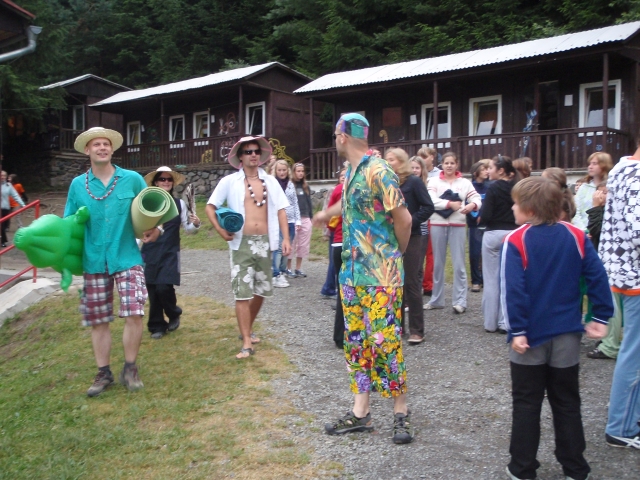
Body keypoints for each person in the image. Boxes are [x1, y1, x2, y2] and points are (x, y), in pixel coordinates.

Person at [502, 176, 612, 480]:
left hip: (530, 337)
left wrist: (517, 330)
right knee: (567, 402)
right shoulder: (576, 236)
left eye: (515, 203)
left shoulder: (516, 240)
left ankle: (522, 468)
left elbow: (512, 290)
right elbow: (597, 276)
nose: (512, 208)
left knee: (526, 403)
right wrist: (600, 317)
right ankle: (575, 468)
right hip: (567, 335)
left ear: (529, 209)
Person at [313, 113, 414, 444]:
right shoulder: (352, 172)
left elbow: (404, 219)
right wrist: (326, 213)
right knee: (356, 342)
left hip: (380, 275)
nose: (334, 140)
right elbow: (353, 207)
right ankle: (361, 414)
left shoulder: (378, 170)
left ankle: (400, 412)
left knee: (385, 342)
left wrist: (394, 255)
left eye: (335, 135)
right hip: (350, 274)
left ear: (343, 137)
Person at [64, 127, 162, 397]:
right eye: (96, 144)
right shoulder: (77, 185)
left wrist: (157, 228)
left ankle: (130, 368)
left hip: (127, 256)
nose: (102, 148)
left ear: (112, 149)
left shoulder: (131, 179)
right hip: (93, 259)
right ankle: (103, 372)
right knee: (99, 320)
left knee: (134, 313)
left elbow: (153, 208)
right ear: (88, 150)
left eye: (106, 144)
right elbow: (69, 223)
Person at [205, 136, 290, 359]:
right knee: (242, 293)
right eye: (248, 151)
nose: (253, 155)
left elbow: (282, 210)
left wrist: (286, 239)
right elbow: (210, 207)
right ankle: (246, 342)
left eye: (256, 151)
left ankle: (247, 329)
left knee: (261, 291)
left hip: (265, 242)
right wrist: (220, 230)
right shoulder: (230, 181)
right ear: (240, 157)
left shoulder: (270, 181)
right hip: (240, 243)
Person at [600, 142, 640, 448]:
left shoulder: (621, 169)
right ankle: (621, 427)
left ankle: (628, 419)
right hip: (635, 274)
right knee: (634, 352)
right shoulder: (635, 175)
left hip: (624, 271)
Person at [141, 166, 200, 339]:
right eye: (162, 179)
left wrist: (195, 224)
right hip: (150, 251)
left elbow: (188, 229)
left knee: (164, 287)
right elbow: (139, 228)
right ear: (155, 183)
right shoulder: (148, 204)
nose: (166, 182)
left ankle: (173, 312)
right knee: (153, 290)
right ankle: (157, 326)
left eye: (169, 179)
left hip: (170, 252)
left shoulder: (179, 204)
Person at [386, 148, 434, 344]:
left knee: (411, 282)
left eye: (391, 159)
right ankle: (397, 327)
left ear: (401, 161)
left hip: (412, 236)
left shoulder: (413, 182)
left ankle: (417, 330)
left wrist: (410, 222)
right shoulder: (387, 182)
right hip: (390, 238)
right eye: (386, 159)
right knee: (394, 282)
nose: (388, 162)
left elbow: (428, 207)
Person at [424, 152, 481, 314]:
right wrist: (449, 204)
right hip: (437, 223)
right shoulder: (434, 181)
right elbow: (431, 200)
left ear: (457, 165)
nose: (449, 166)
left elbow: (476, 198)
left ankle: (460, 301)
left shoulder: (464, 182)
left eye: (452, 163)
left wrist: (472, 205)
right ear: (442, 164)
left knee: (459, 264)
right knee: (438, 263)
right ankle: (436, 299)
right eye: (446, 163)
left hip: (458, 224)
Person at [479, 155, 519, 334]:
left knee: (490, 279)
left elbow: (486, 215)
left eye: (491, 167)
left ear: (501, 170)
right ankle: (504, 322)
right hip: (512, 234)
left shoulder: (493, 188)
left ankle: (490, 322)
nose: (488, 171)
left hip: (493, 233)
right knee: (507, 279)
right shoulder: (516, 188)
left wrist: (481, 218)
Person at [271, 159, 300, 288]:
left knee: (286, 248)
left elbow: (295, 203)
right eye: (279, 170)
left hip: (291, 220)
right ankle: (275, 273)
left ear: (287, 171)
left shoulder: (291, 184)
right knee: (278, 247)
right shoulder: (272, 184)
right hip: (277, 220)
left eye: (284, 170)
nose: (282, 172)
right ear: (275, 171)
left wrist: (298, 219)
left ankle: (282, 271)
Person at [417, 147, 440, 296]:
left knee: (431, 254)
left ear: (432, 157)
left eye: (425, 157)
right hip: (420, 218)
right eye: (420, 157)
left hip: (434, 216)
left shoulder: (438, 175)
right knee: (418, 254)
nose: (423, 159)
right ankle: (418, 283)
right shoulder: (415, 174)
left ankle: (429, 284)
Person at [329, 165, 347, 348]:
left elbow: (330, 219)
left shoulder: (338, 190)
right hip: (355, 244)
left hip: (338, 242)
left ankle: (340, 336)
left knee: (343, 290)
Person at [572, 152, 613, 230]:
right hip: (583, 230)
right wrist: (584, 230)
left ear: (604, 165)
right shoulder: (584, 187)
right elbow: (575, 210)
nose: (590, 167)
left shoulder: (610, 187)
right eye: (590, 164)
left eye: (594, 164)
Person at [467, 160, 491, 293]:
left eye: (488, 169)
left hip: (488, 223)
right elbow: (468, 203)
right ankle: (476, 281)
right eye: (483, 169)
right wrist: (476, 216)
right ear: (476, 172)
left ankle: (486, 279)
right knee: (475, 253)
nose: (487, 171)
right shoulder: (470, 186)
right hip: (474, 225)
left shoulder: (490, 186)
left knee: (487, 253)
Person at [287, 162, 312, 278]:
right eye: (298, 171)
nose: (301, 173)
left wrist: (311, 217)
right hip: (293, 218)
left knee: (303, 244)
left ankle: (298, 268)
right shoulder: (289, 185)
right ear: (293, 172)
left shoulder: (306, 186)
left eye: (302, 171)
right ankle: (288, 268)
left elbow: (309, 202)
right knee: (291, 243)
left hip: (305, 217)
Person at [1, 170, 25, 247]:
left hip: (5, 208)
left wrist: (22, 204)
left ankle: (3, 239)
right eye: (1, 175)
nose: (2, 177)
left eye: (4, 175)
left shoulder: (8, 185)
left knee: (4, 226)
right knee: (1, 226)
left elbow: (15, 195)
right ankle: (3, 241)